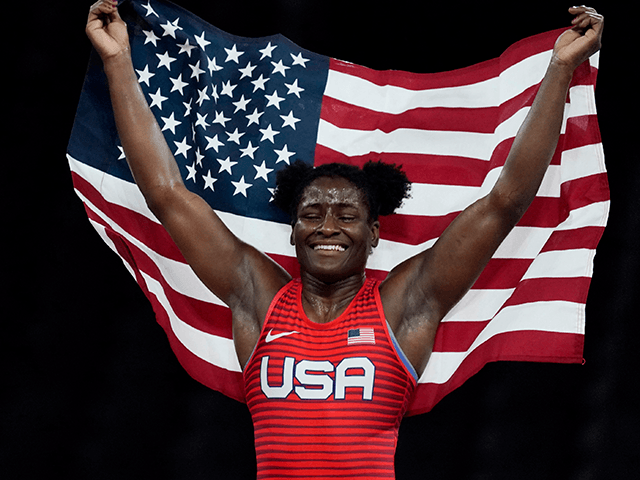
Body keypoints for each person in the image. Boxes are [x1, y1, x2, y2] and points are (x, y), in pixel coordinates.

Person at [86, 1, 604, 478]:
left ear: (374, 233)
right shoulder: (258, 297)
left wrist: (558, 71)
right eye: (312, 212)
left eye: (346, 215)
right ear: (293, 230)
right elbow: (167, 194)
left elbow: (505, 201)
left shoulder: (406, 303)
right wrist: (117, 62)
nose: (328, 225)